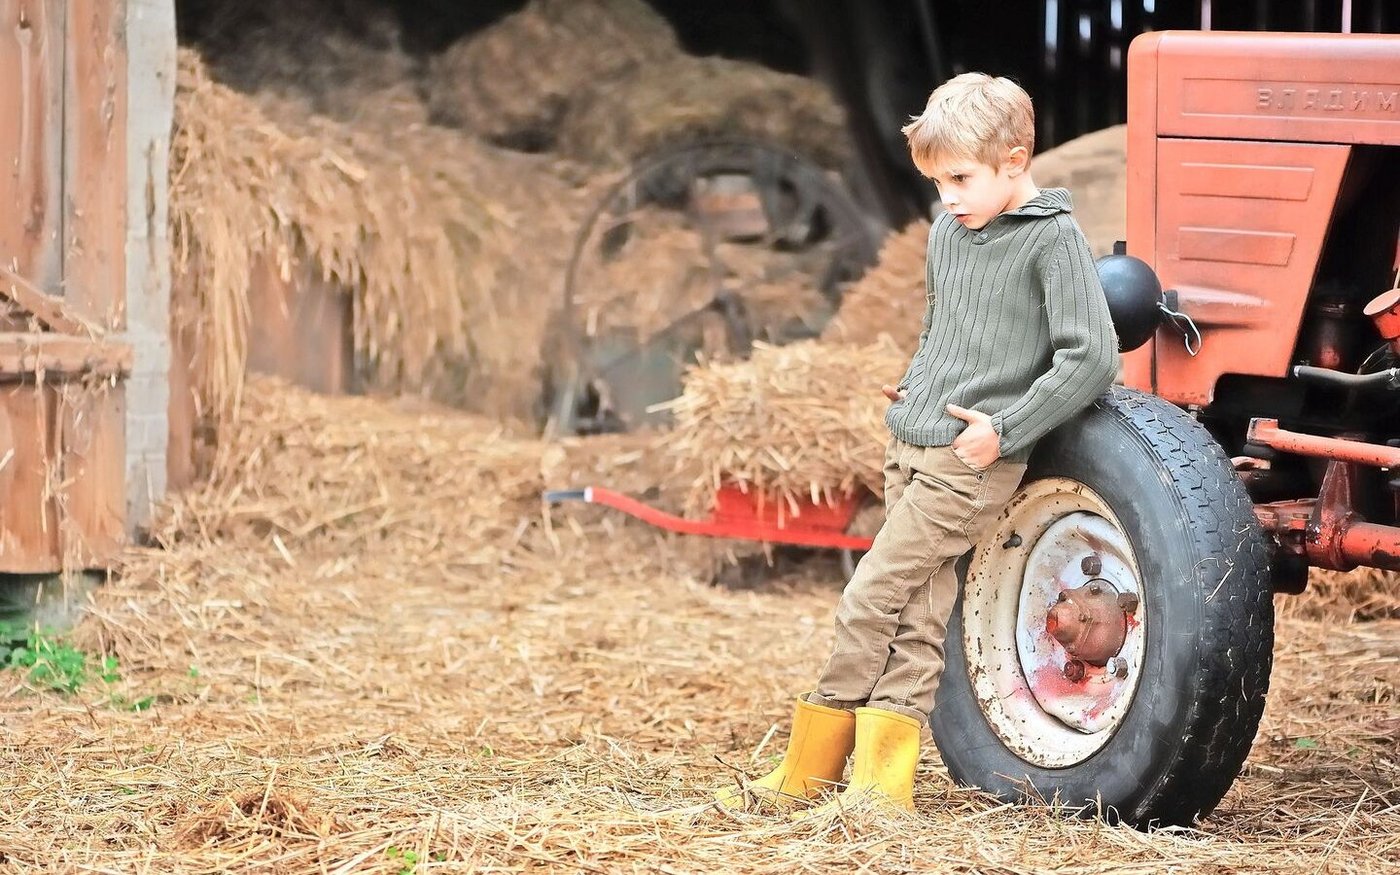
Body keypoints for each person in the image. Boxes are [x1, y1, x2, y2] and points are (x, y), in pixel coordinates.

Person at [717, 73, 1119, 815]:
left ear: (1014, 159)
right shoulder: (948, 233)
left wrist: (1004, 428)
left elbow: (1089, 357)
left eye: (961, 179)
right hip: (911, 440)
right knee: (920, 611)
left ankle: (811, 763)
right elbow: (945, 331)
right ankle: (878, 786)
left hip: (969, 462)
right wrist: (917, 384)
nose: (949, 198)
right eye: (938, 183)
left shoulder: (1053, 240)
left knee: (869, 594)